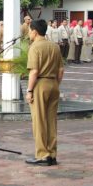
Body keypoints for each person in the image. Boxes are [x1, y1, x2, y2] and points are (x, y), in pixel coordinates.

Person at [25, 19, 64, 166]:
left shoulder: (35, 47)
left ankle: (42, 154)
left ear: (35, 31)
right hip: (53, 83)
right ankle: (52, 154)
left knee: (39, 121)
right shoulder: (54, 46)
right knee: (51, 121)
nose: (29, 33)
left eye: (30, 30)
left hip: (40, 84)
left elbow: (34, 71)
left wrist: (29, 90)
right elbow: (61, 70)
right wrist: (55, 84)